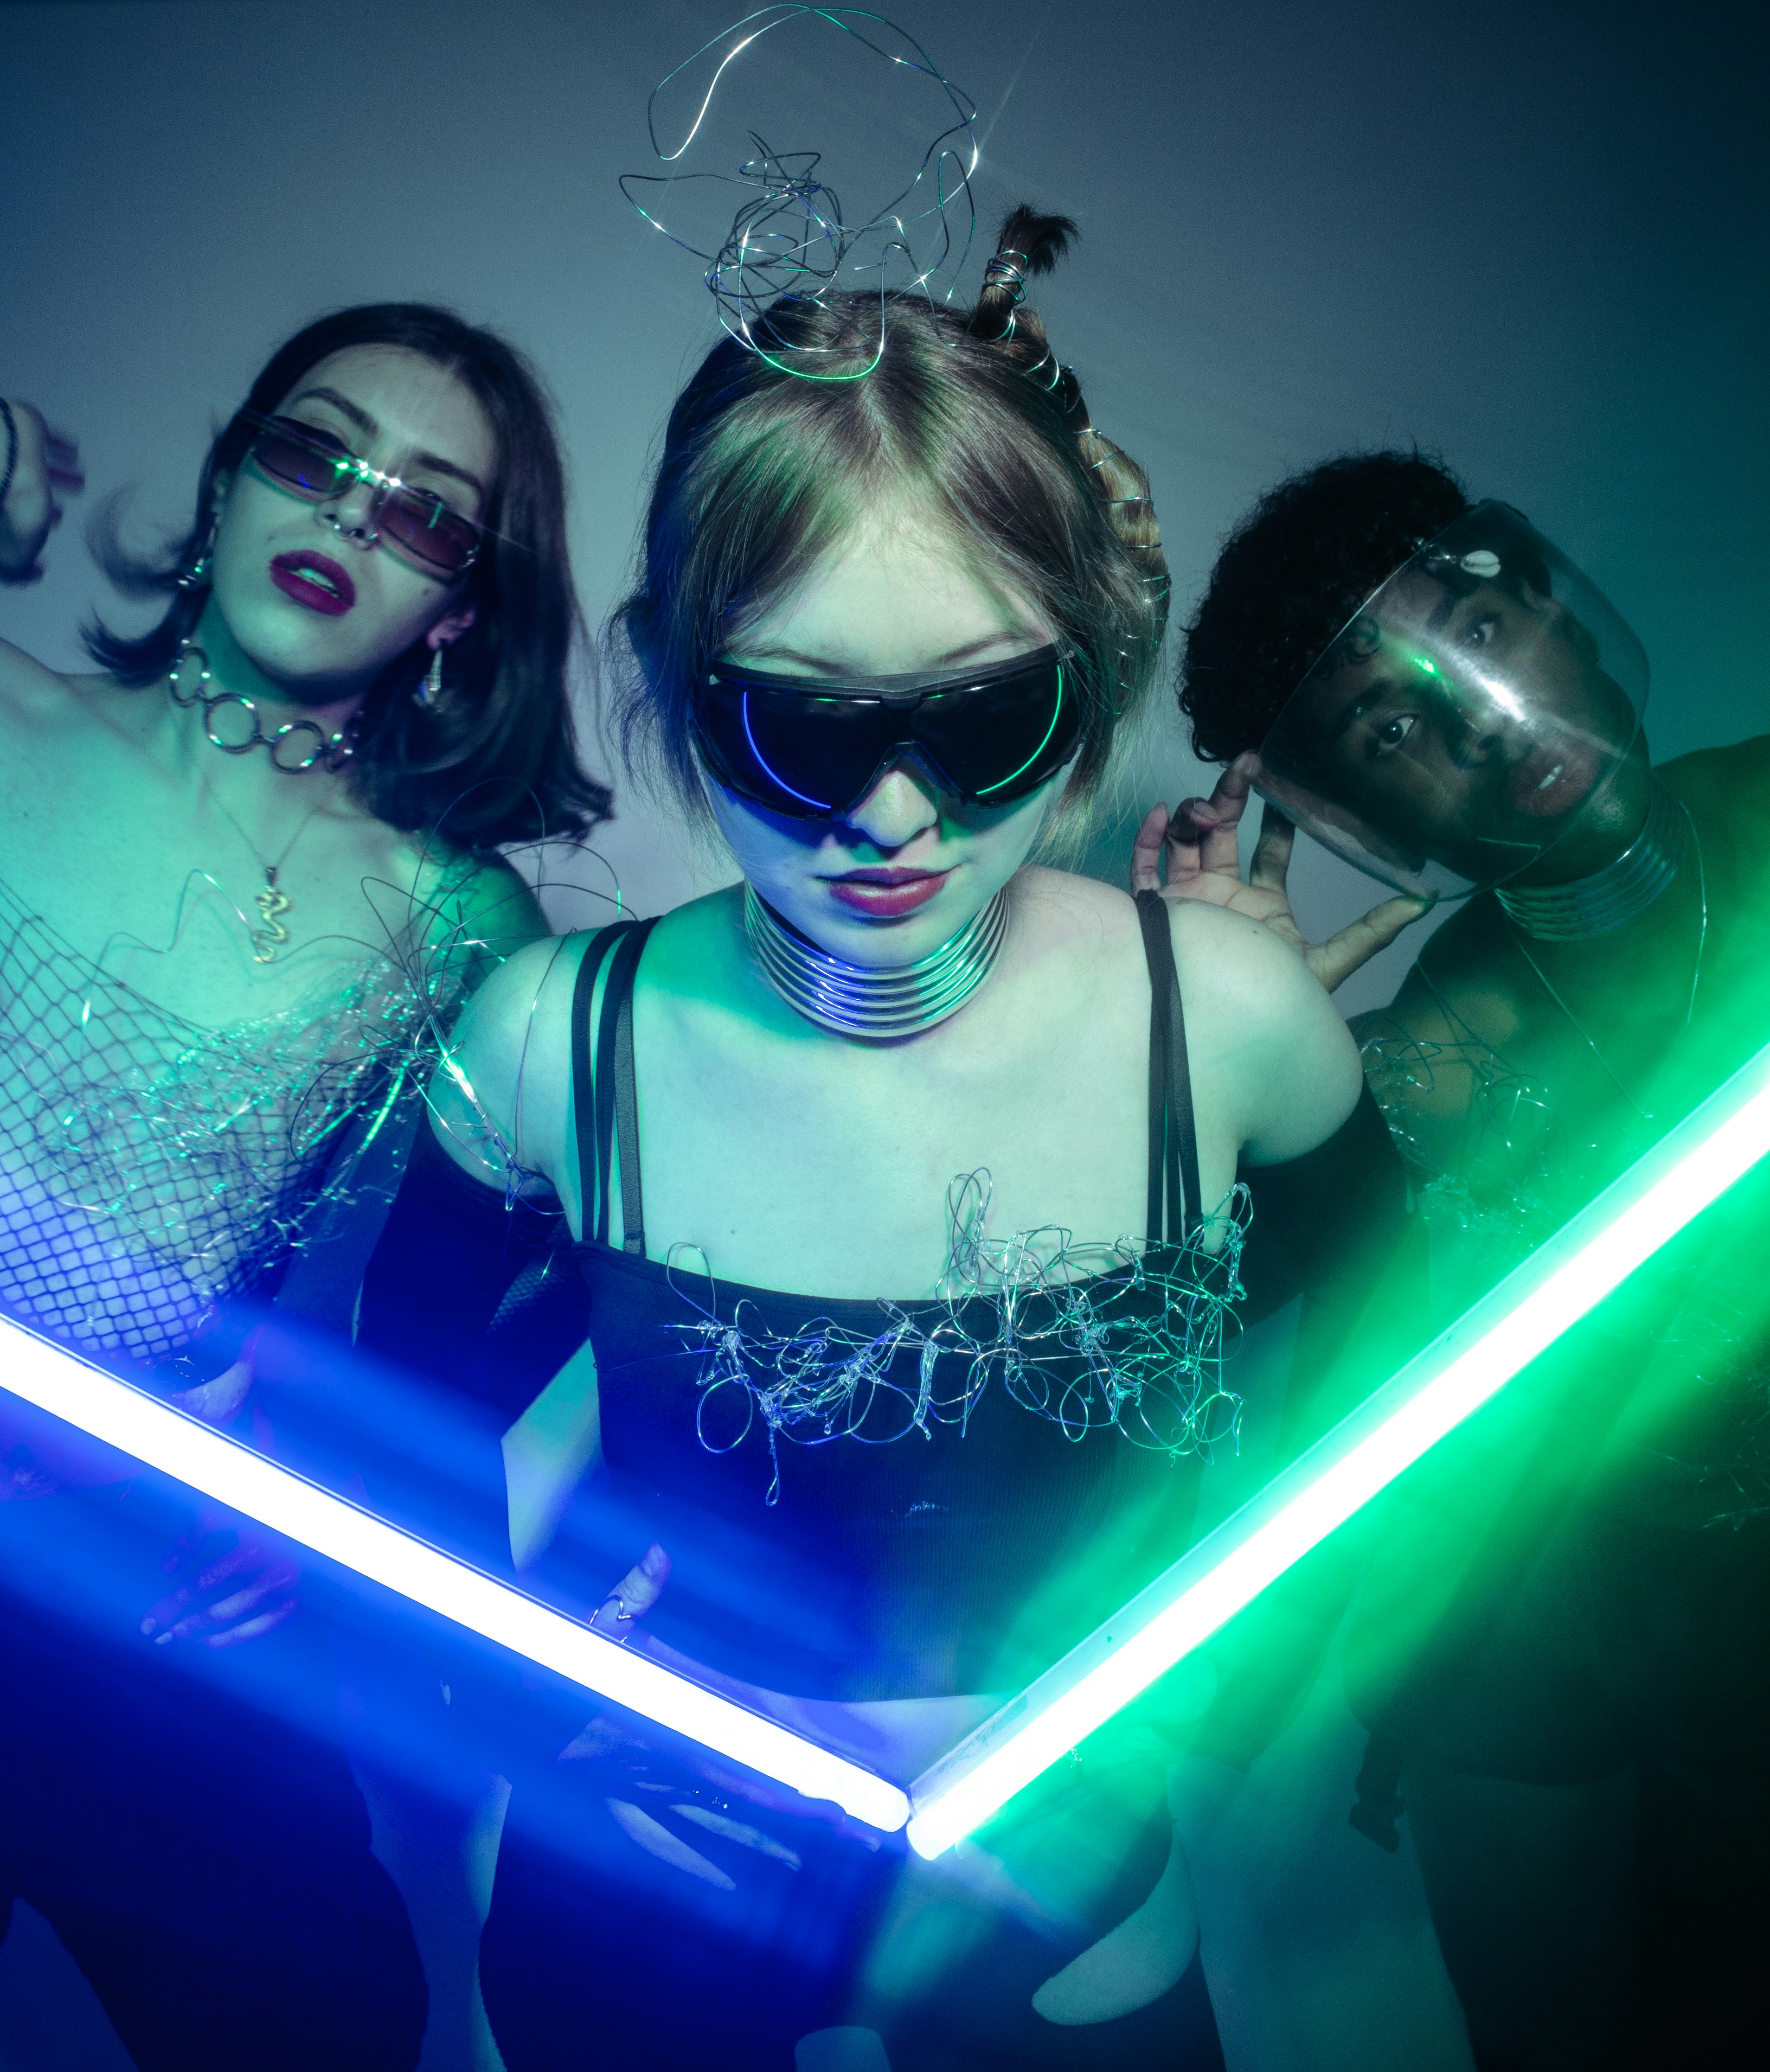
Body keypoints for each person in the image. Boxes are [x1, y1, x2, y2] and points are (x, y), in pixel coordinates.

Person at [356, 208, 1402, 2072]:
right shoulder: (542, 1039)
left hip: (1067, 1896)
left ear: (1086, 670)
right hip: (655, 1882)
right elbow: (389, 1414)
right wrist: (512, 1690)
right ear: (678, 677)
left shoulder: (1228, 1021)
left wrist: (1206, 1721)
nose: (896, 816)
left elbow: (1417, 1407)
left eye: (987, 711)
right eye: (794, 726)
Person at [0, 303, 607, 2068]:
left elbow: (447, 1326)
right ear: (226, 473)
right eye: (314, 453)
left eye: (424, 512)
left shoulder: (459, 920)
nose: (349, 517)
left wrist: (304, 1489)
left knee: (333, 2018)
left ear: (466, 602)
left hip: (146, 1601)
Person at [1141, 449, 1770, 2070]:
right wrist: (1235, 1041)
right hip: (1570, 1658)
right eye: (1388, 727)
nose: (1483, 724)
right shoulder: (1438, 1034)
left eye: (1474, 632)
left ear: (1544, 599)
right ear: (1361, 807)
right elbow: (1255, 1314)